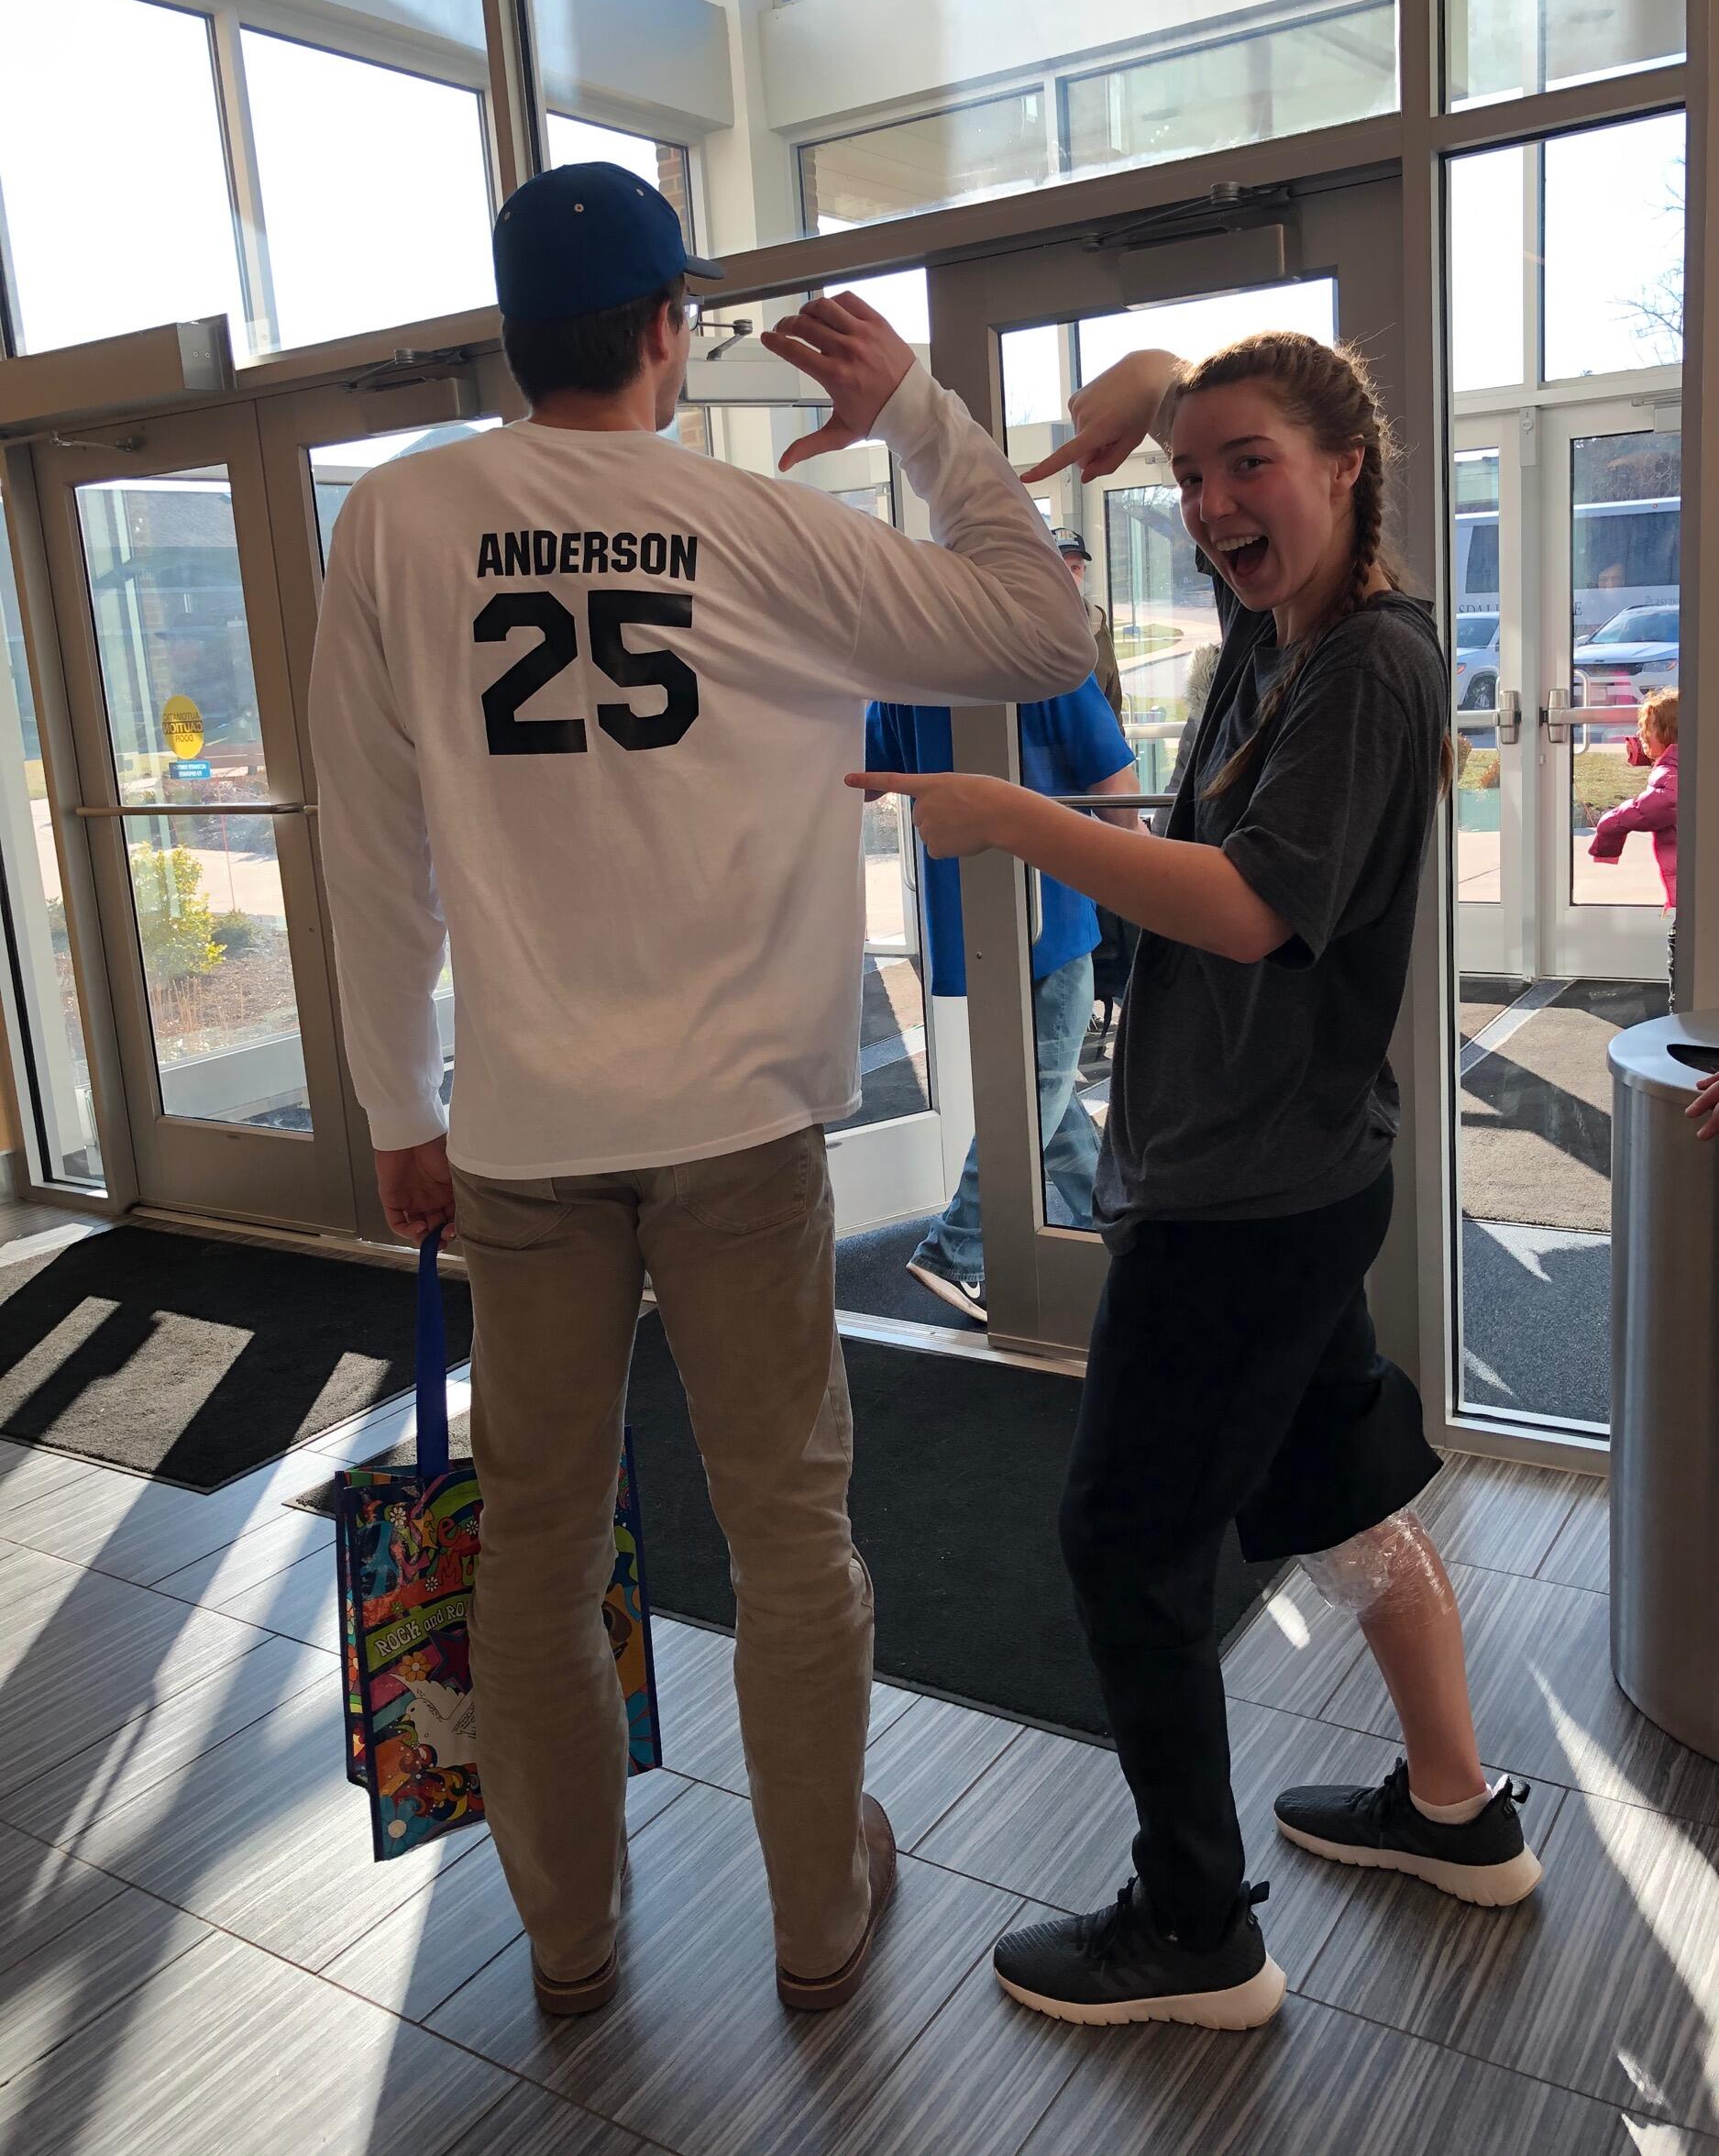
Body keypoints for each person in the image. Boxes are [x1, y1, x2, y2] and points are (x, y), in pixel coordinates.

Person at [308, 163, 1095, 2021]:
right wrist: (907, 404)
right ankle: (819, 1923)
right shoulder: (751, 526)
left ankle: (570, 1944)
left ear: (516, 337)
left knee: (538, 1544)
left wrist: (390, 1104)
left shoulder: (401, 525)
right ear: (668, 332)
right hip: (740, 1119)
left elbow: (372, 843)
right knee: (791, 1535)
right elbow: (1042, 631)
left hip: (517, 1133)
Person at [854, 330, 1540, 2033]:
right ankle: (1458, 1814)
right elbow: (1181, 374)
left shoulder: (1366, 664)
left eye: (1252, 466)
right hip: (1282, 1177)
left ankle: (1194, 1931)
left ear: (1346, 468)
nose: (1214, 501)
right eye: (1191, 475)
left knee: (1122, 1542)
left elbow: (1243, 906)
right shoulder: (1280, 634)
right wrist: (1130, 395)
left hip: (1249, 1201)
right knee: (1347, 1498)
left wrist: (999, 815)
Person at [865, 681, 1139, 1322]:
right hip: (1052, 910)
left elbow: (872, 771)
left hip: (969, 910)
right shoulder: (1046, 663)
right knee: (1035, 1092)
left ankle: (1109, 1230)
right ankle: (954, 1250)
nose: (1074, 574)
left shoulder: (911, 671)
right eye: (1070, 569)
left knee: (1047, 1089)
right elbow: (1118, 794)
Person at [1589, 686, 1679, 997]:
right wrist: (1645, 753)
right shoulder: (1686, 761)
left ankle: (1679, 1014)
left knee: (1682, 961)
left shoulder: (1670, 774)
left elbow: (1659, 804)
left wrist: (1609, 824)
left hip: (1693, 894)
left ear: (1666, 735)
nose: (1640, 738)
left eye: (1645, 732)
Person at [1054, 527, 1126, 723]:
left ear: (1084, 571)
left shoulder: (1098, 623)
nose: (1069, 577)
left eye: (1075, 568)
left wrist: (1117, 746)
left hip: (1095, 746)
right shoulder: (1031, 626)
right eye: (1060, 567)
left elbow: (1113, 699)